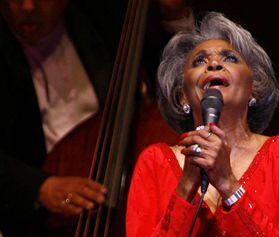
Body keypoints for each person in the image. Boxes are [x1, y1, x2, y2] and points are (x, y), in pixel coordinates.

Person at [0, 0, 192, 236]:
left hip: (126, 189)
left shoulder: (102, 20)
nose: (28, 7)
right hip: (43, 219)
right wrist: (39, 187)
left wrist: (174, 15)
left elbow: (172, 81)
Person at [126, 12, 279, 236]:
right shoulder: (154, 162)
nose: (214, 64)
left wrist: (228, 183)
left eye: (230, 58)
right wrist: (187, 184)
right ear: (182, 96)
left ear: (254, 88)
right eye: (200, 61)